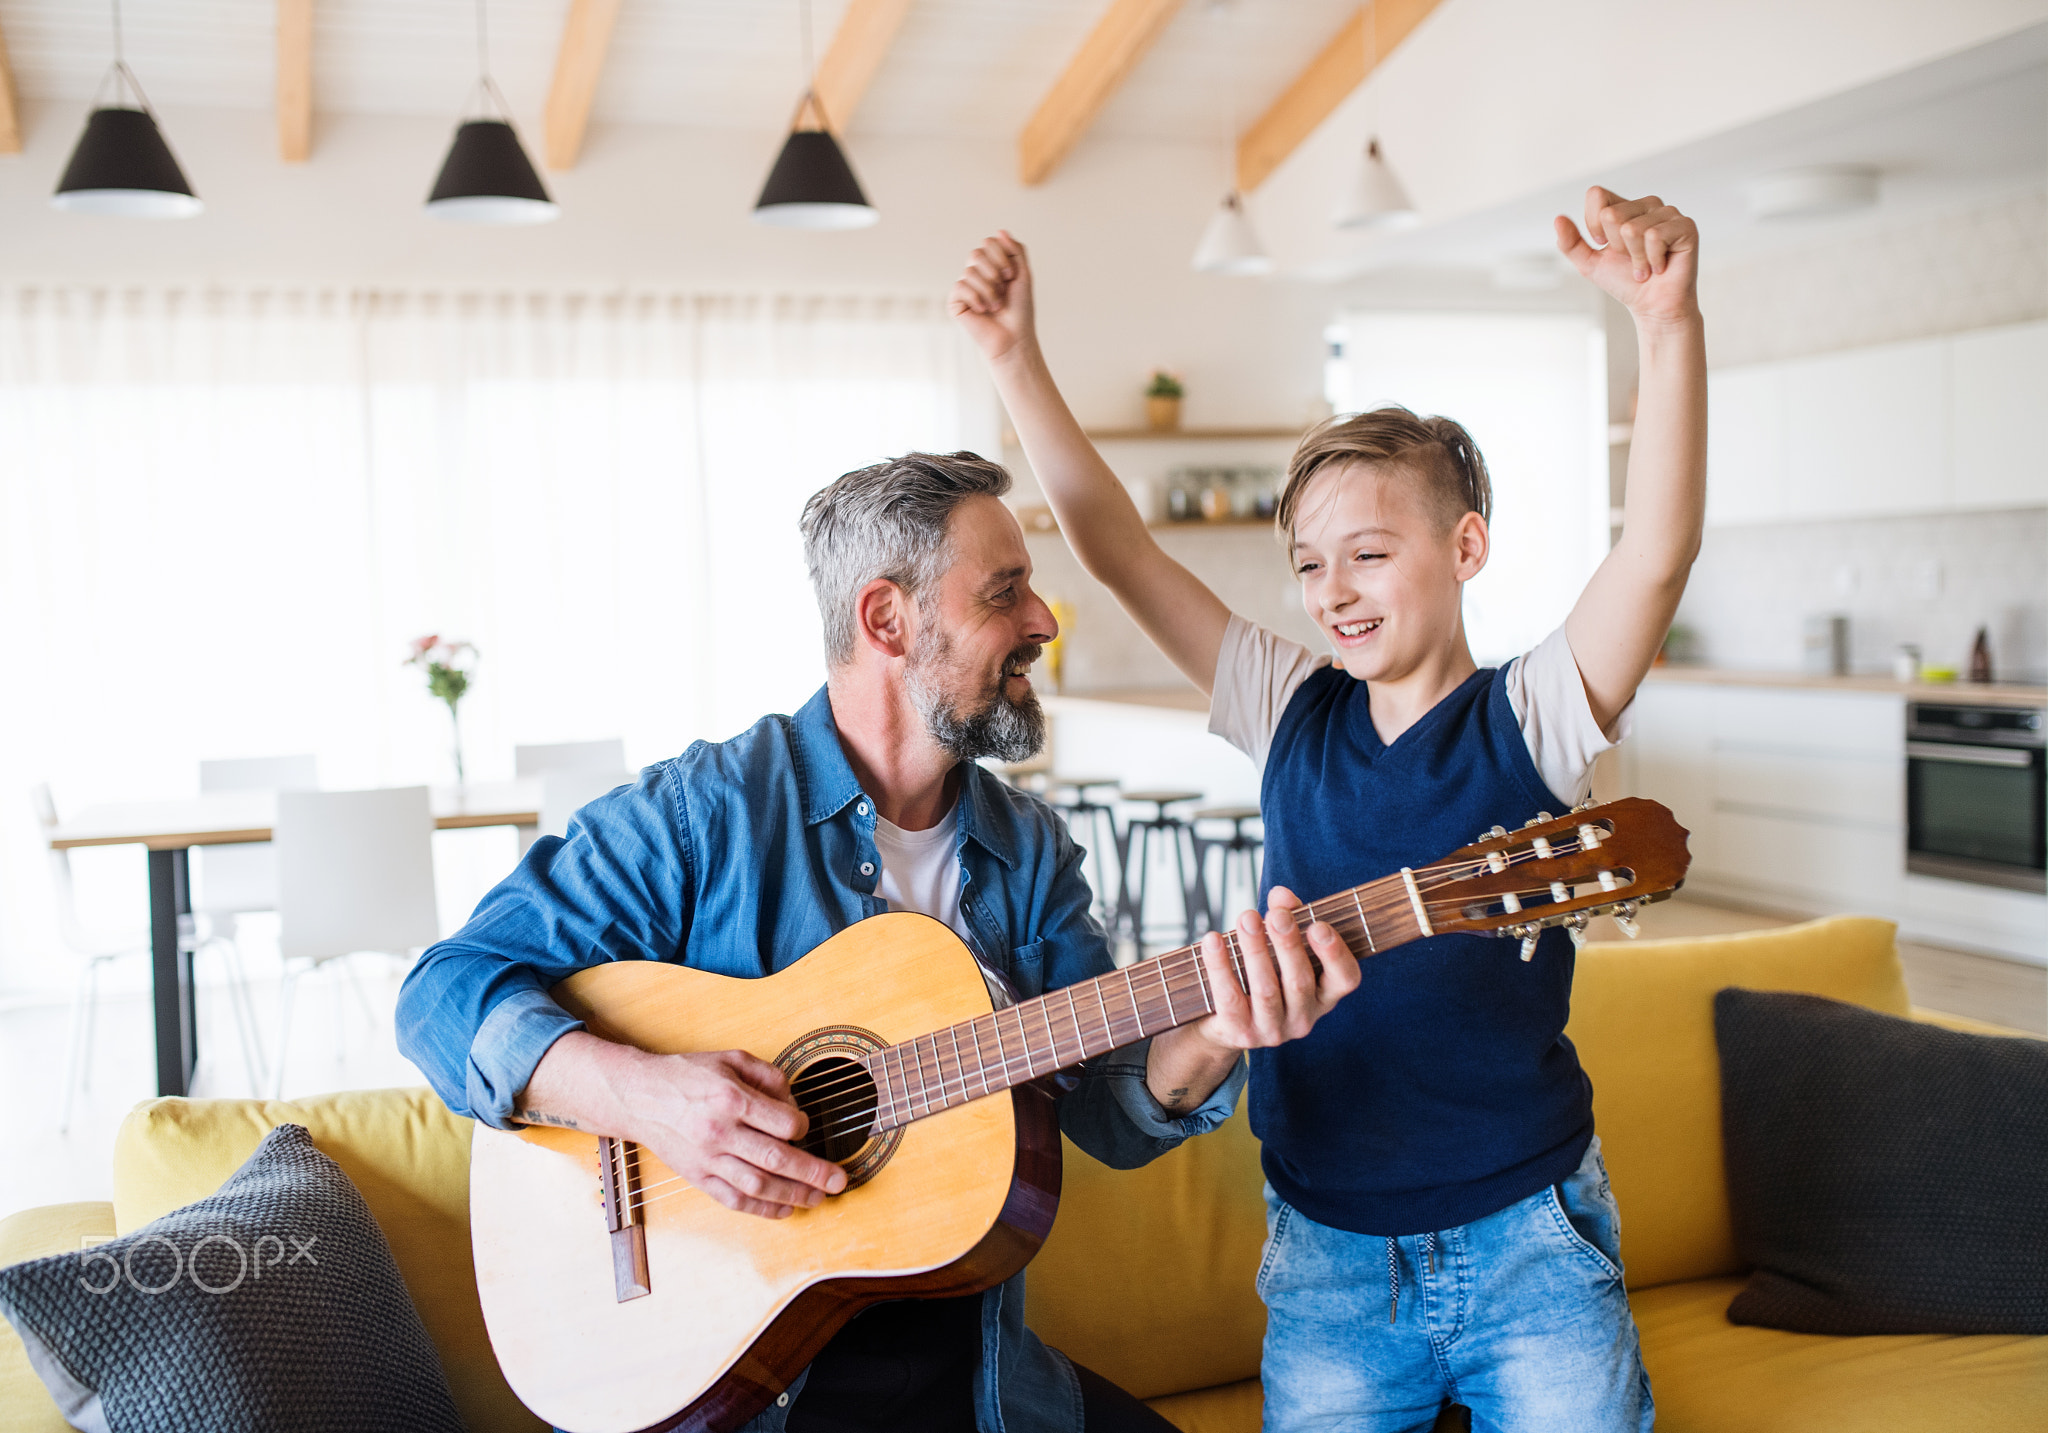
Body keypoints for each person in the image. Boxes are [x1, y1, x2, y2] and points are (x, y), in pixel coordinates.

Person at [396, 450, 1362, 1433]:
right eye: (1004, 592)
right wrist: (654, 1099)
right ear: (885, 619)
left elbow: (1106, 1112)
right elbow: (442, 991)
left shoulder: (1025, 849)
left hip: (976, 1382)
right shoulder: (705, 815)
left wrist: (1213, 1030)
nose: (1042, 621)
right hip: (740, 1387)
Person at [948, 187, 1705, 1433]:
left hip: (1528, 1234)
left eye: (1367, 551)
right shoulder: (1287, 699)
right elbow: (1119, 551)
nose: (1331, 592)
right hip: (1329, 1250)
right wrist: (1013, 359)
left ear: (1464, 547)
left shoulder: (1533, 712)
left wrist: (1665, 325)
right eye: (1306, 562)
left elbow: (1654, 554)